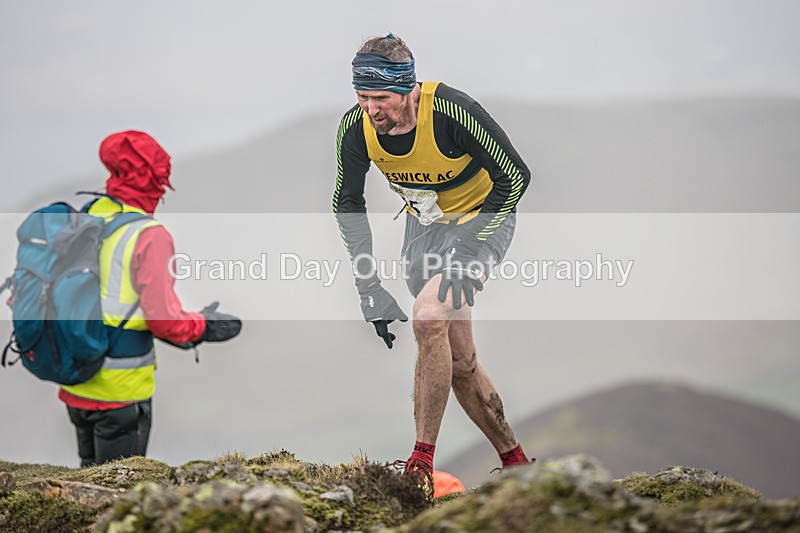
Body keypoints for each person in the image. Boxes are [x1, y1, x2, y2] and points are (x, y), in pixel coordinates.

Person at [333, 34, 533, 500]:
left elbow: (515, 176)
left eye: (380, 97)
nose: (371, 109)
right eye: (362, 97)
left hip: (483, 221)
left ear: (408, 89)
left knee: (427, 317)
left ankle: (419, 464)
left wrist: (466, 248)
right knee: (460, 360)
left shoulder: (450, 113)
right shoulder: (356, 128)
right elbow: (347, 202)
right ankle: (517, 463)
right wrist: (368, 286)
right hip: (424, 230)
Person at [58, 130, 241, 467]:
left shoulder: (91, 212)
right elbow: (162, 319)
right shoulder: (147, 235)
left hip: (77, 382)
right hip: (121, 393)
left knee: (87, 481)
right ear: (157, 180)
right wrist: (202, 327)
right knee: (117, 492)